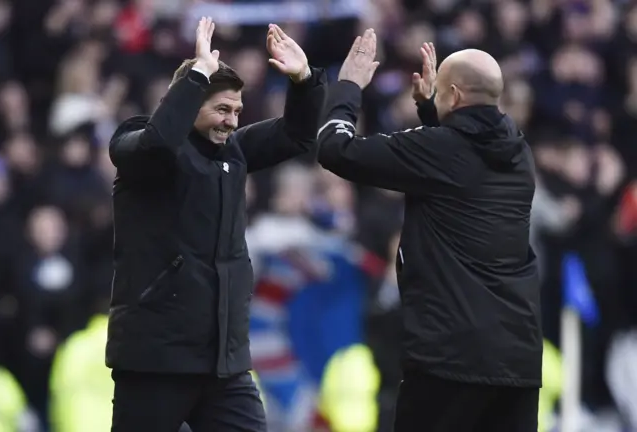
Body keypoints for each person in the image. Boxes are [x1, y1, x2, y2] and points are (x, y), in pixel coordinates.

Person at [106, 17, 327, 432]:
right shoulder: (136, 141)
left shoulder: (234, 152)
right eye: (221, 109)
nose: (231, 121)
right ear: (187, 102)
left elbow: (297, 135)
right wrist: (196, 76)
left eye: (237, 111)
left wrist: (304, 81)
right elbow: (157, 146)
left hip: (224, 363)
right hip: (156, 359)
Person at [317, 29, 542, 431]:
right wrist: (431, 111)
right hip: (518, 360)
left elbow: (337, 151)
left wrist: (348, 86)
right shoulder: (519, 154)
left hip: (450, 357)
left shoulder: (439, 150)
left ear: (453, 96)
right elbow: (458, 162)